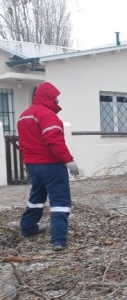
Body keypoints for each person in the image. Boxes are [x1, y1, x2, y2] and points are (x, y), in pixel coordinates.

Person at [17, 82, 79, 252]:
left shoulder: (24, 115)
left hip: (33, 165)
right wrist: (68, 160)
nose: (57, 102)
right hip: (51, 165)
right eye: (56, 98)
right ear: (48, 97)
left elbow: (24, 142)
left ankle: (27, 227)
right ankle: (58, 240)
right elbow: (54, 140)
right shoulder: (47, 115)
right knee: (60, 200)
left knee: (37, 196)